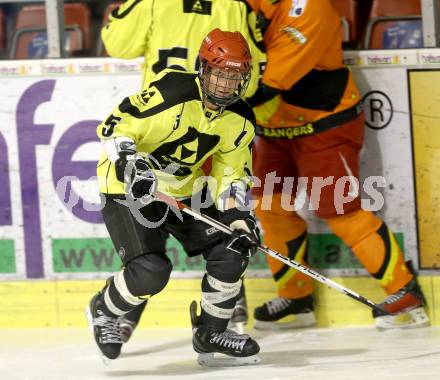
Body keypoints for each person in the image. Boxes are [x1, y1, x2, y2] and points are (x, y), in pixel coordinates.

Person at [244, 0, 430, 330]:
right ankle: (296, 297)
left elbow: (268, 85)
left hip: (322, 124)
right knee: (270, 207)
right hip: (272, 128)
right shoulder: (234, 6)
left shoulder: (307, 8)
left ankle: (404, 292)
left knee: (341, 211)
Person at [86, 29, 261, 366]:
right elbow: (114, 127)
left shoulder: (241, 120)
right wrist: (130, 163)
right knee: (151, 271)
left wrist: (238, 216)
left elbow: (232, 174)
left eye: (235, 76)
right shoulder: (172, 91)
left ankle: (210, 333)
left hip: (183, 190)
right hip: (128, 187)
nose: (226, 84)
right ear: (204, 69)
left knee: (232, 248)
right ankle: (103, 309)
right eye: (220, 73)